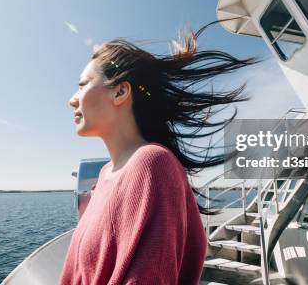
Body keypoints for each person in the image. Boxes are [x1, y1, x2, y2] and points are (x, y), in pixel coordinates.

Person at [59, 23, 258, 285]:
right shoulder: (106, 173)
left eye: (83, 85)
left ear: (120, 92)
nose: (72, 99)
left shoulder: (152, 164)